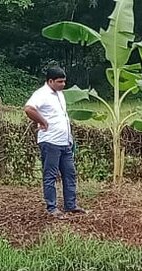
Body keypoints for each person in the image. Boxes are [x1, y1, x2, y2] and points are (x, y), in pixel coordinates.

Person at [24, 66, 86, 217]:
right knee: (50, 175)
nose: (63, 84)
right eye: (60, 81)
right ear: (50, 81)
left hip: (65, 142)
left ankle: (70, 205)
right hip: (51, 142)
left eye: (64, 81)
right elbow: (29, 109)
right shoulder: (41, 94)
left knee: (70, 174)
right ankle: (52, 208)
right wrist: (43, 122)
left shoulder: (59, 94)